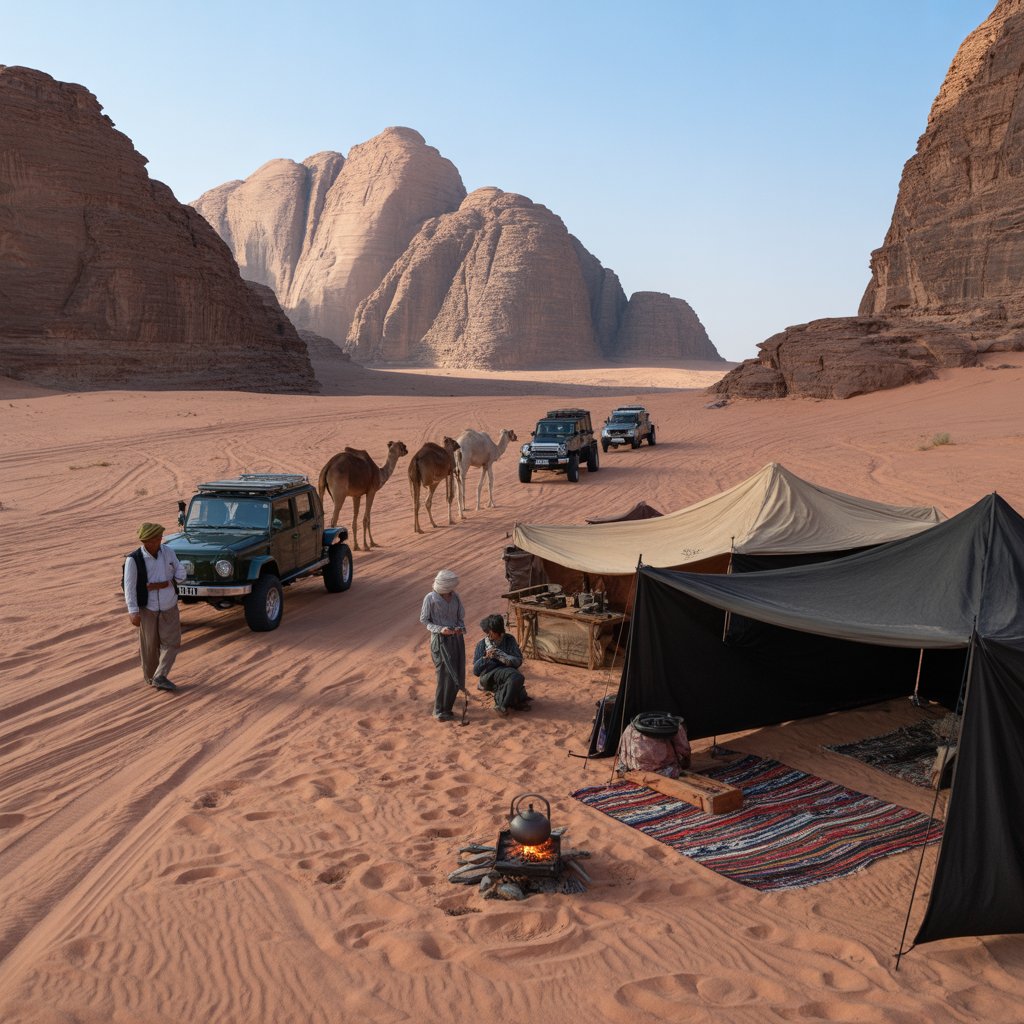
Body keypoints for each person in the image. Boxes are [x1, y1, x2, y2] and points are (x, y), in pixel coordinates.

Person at [124, 522, 186, 692]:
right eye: (147, 541)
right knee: (150, 647)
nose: (151, 543)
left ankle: (160, 675)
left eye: (155, 539)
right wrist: (133, 611)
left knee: (172, 643)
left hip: (169, 605)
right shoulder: (133, 560)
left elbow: (181, 573)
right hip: (148, 608)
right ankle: (152, 678)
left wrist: (168, 581)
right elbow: (129, 587)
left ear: (160, 539)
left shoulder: (169, 553)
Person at [419, 568, 466, 721]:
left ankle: (448, 709)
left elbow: (460, 617)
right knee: (443, 675)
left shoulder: (456, 597)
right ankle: (438, 710)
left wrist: (459, 628)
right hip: (439, 642)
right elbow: (424, 620)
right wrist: (440, 629)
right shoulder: (430, 598)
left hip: (456, 640)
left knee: (455, 673)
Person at [472, 613, 531, 717]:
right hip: (488, 675)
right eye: (487, 632)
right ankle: (502, 705)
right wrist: (485, 658)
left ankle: (504, 701)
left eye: (491, 632)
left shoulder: (509, 640)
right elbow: (476, 671)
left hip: (507, 672)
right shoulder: (482, 644)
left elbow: (518, 661)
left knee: (515, 681)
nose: (488, 635)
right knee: (516, 677)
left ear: (498, 631)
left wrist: (505, 657)